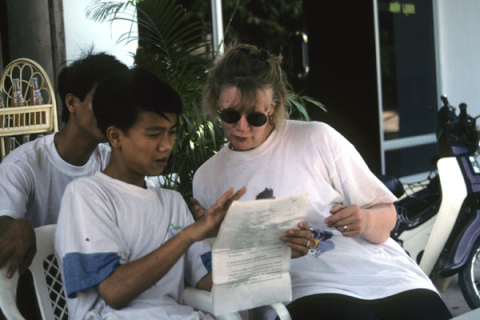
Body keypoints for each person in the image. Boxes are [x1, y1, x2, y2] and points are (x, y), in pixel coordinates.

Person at [191, 44, 453, 320]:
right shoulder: (209, 178)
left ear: (273, 107)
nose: (241, 127)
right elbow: (221, 271)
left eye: (255, 117)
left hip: (383, 274)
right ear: (216, 104)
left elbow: (388, 218)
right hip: (305, 288)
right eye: (230, 116)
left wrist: (363, 219)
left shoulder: (316, 139)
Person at [53, 68, 249, 319]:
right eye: (154, 134)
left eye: (172, 132)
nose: (166, 145)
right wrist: (187, 236)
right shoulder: (86, 195)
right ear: (115, 136)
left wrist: (268, 249)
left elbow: (207, 279)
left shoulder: (172, 202)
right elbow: (114, 291)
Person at [0, 52, 128, 279]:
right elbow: (4, 223)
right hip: (35, 290)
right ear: (72, 103)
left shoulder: (114, 161)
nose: (113, 111)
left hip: (99, 285)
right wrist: (18, 226)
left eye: (120, 102)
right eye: (103, 100)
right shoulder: (22, 165)